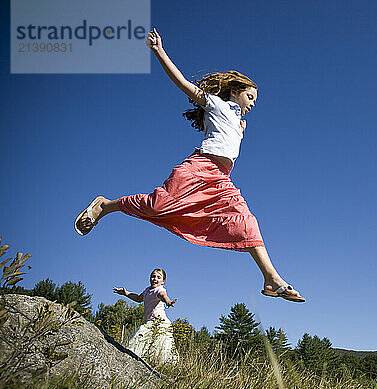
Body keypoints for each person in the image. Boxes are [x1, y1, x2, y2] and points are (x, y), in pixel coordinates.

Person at [75, 28, 304, 302]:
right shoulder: (216, 104)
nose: (253, 104)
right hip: (198, 168)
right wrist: (159, 52)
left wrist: (240, 130)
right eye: (250, 97)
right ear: (235, 91)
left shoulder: (239, 122)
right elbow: (183, 82)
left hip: (220, 178)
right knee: (157, 206)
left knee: (246, 222)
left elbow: (231, 138)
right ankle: (105, 205)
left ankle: (271, 278)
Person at [113, 268, 178, 364]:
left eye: (158, 277)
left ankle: (160, 365)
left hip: (160, 323)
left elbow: (163, 296)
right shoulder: (147, 290)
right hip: (150, 323)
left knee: (160, 347)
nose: (155, 279)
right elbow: (139, 298)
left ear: (163, 281)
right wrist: (126, 293)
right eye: (153, 276)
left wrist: (168, 302)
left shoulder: (159, 290)